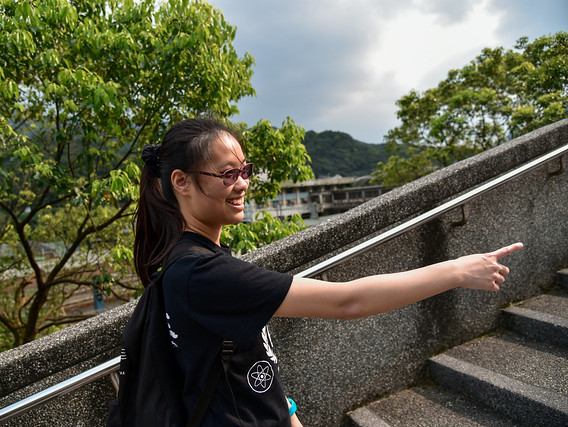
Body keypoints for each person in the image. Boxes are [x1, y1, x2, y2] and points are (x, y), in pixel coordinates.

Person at [133, 116, 523, 426]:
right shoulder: (201, 273)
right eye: (227, 175)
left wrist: (289, 414)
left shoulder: (199, 260)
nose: (243, 185)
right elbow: (348, 301)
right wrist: (455, 270)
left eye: (245, 171)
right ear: (181, 182)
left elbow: (240, 360)